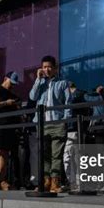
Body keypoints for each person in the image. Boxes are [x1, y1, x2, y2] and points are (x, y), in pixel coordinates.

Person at [29, 56, 72, 193]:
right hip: (42, 123)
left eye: (49, 67)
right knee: (44, 155)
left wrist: (65, 121)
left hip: (57, 123)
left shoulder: (63, 83)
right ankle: (45, 182)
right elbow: (32, 97)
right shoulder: (40, 83)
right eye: (44, 67)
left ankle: (55, 182)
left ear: (55, 68)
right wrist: (37, 80)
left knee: (56, 154)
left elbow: (68, 104)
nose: (46, 69)